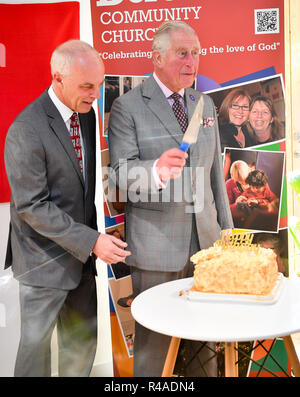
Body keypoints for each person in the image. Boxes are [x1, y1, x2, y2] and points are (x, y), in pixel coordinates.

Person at [108, 21, 233, 377]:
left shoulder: (204, 104)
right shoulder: (127, 107)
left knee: (206, 342)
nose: (191, 61)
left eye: (195, 52)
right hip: (157, 249)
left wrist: (226, 234)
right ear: (157, 57)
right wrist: (158, 171)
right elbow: (118, 174)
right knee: (156, 347)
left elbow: (214, 177)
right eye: (182, 53)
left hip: (206, 245)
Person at [4, 40, 130, 377]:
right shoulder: (25, 130)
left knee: (79, 351)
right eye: (87, 86)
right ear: (58, 78)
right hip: (41, 264)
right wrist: (92, 240)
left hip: (82, 263)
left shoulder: (85, 115)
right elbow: (32, 205)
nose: (95, 94)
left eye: (100, 84)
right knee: (36, 359)